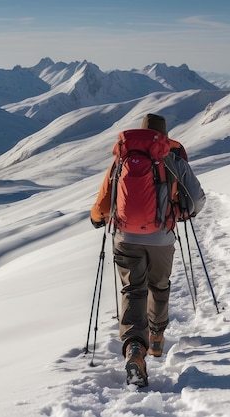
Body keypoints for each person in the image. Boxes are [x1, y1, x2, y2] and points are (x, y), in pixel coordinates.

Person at [90, 113, 206, 387]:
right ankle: (155, 337)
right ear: (164, 137)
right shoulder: (173, 160)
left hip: (125, 237)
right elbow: (197, 200)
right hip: (161, 237)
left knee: (133, 289)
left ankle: (134, 349)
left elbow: (104, 201)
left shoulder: (121, 159)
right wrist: (182, 212)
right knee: (159, 285)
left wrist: (97, 218)